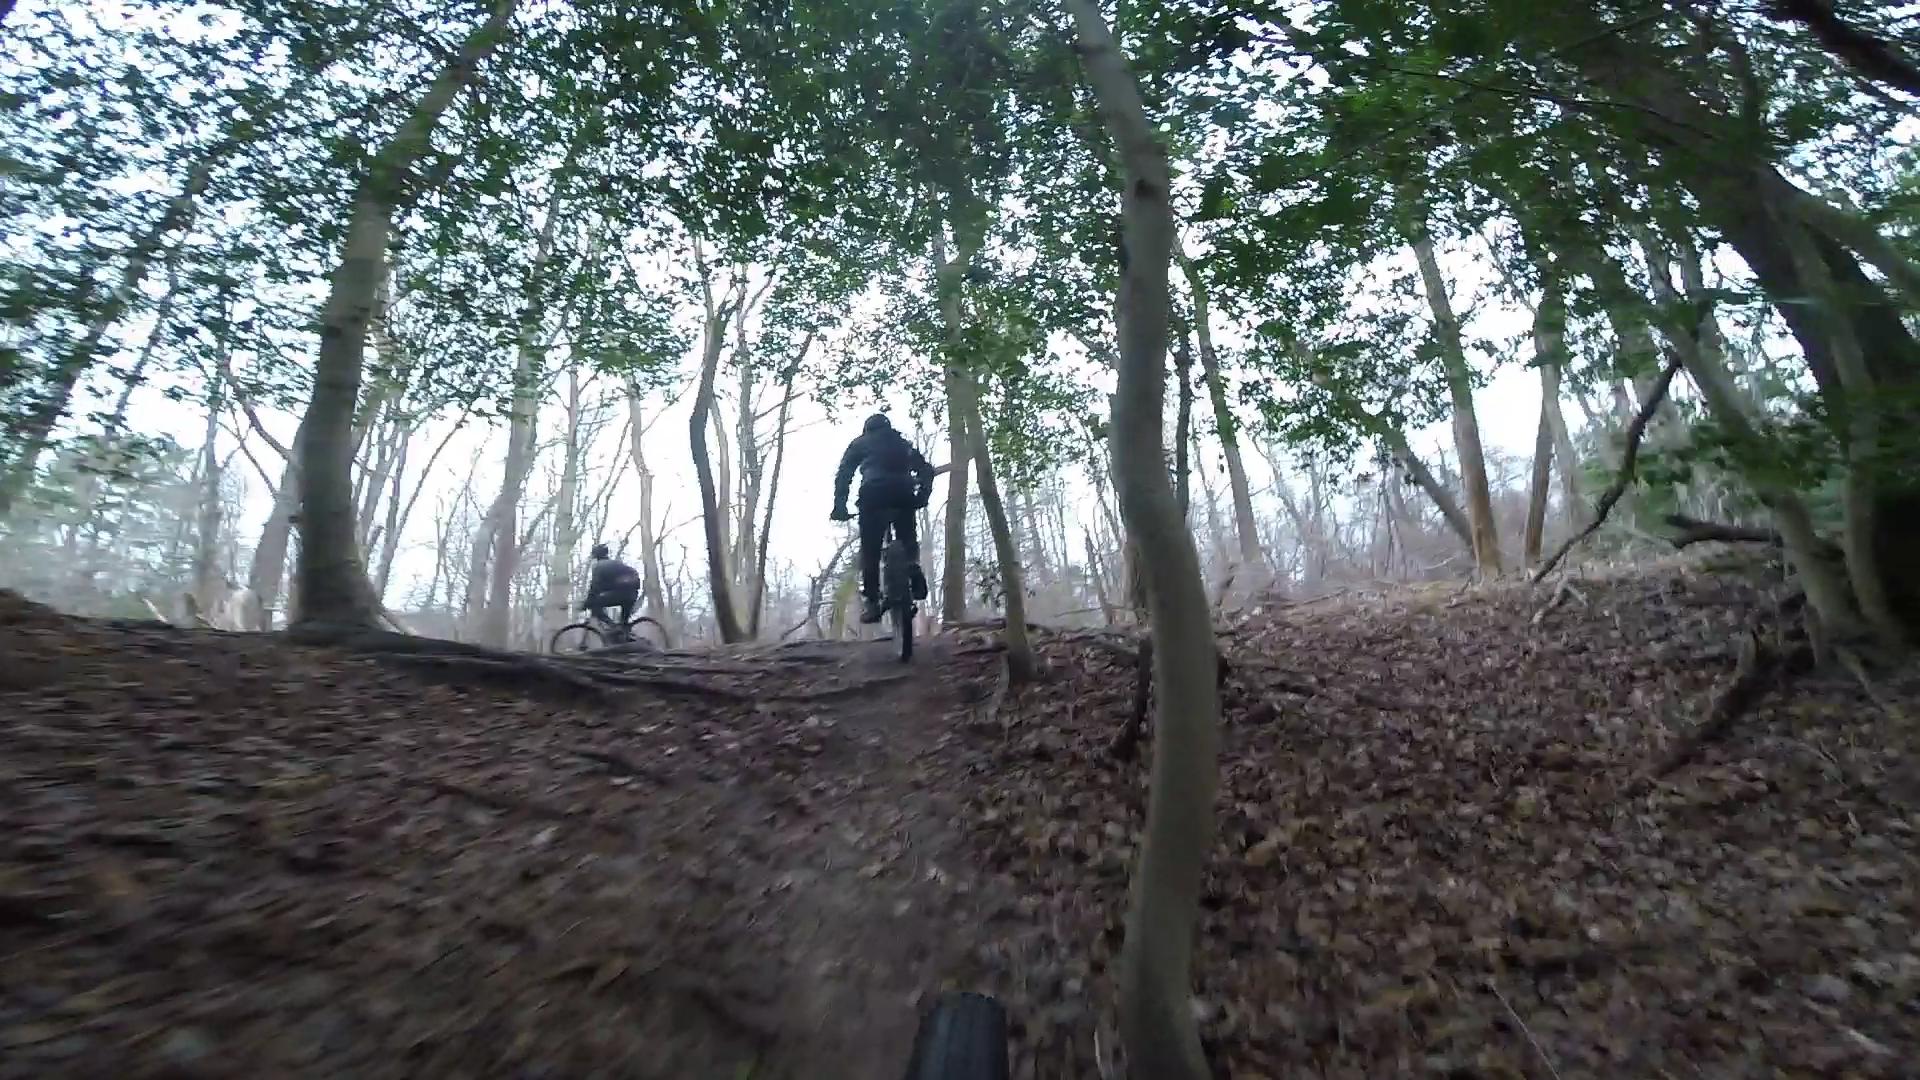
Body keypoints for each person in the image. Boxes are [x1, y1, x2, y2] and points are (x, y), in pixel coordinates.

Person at [832, 413, 934, 623]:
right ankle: (912, 564)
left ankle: (871, 600)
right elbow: (926, 470)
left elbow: (844, 473)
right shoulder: (901, 442)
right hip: (903, 492)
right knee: (907, 538)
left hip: (873, 495)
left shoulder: (860, 443)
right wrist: (922, 496)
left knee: (870, 550)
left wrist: (839, 506)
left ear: (867, 429)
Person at [581, 542, 641, 637]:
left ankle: (614, 628)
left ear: (596, 556)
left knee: (595, 606)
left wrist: (587, 603)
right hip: (632, 593)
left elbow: (595, 587)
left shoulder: (599, 566)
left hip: (623, 593)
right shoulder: (616, 563)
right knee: (623, 625)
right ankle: (624, 635)